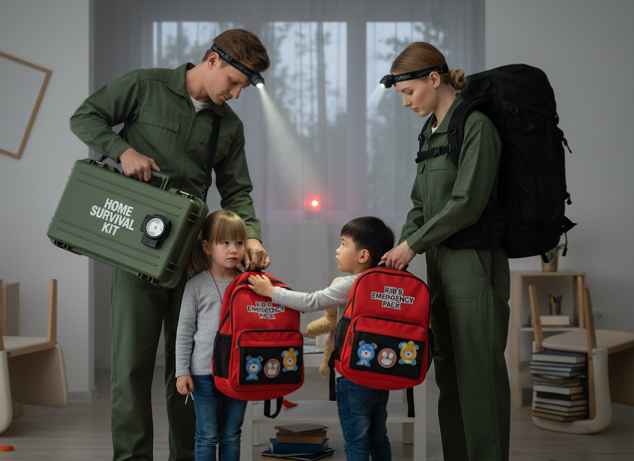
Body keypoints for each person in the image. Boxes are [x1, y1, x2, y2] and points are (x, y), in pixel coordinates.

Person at [69, 29, 271, 461]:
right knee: (130, 370)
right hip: (134, 250)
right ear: (213, 59)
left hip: (193, 258)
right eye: (235, 82)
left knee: (192, 369)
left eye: (244, 88)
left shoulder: (229, 127)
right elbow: (85, 117)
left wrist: (251, 235)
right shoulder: (144, 85)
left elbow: (237, 193)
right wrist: (122, 150)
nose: (236, 94)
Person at [379, 42, 511, 461]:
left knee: (480, 378)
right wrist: (403, 251)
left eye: (409, 92)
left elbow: (468, 201)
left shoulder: (476, 126)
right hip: (439, 265)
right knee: (450, 377)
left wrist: (413, 245)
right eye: (401, 95)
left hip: (473, 266)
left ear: (434, 79)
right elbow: (420, 205)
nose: (405, 103)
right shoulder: (431, 132)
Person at [248, 217, 395, 461]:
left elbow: (312, 301)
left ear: (363, 256)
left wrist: (271, 292)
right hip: (380, 375)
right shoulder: (386, 283)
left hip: (354, 377)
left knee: (356, 442)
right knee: (379, 437)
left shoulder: (352, 283)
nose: (338, 250)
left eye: (344, 244)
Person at [175, 210, 248, 461]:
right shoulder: (195, 286)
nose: (233, 249)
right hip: (203, 373)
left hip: (239, 372)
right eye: (224, 242)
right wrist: (181, 371)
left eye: (239, 243)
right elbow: (184, 332)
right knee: (207, 434)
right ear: (207, 246)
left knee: (231, 434)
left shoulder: (249, 284)